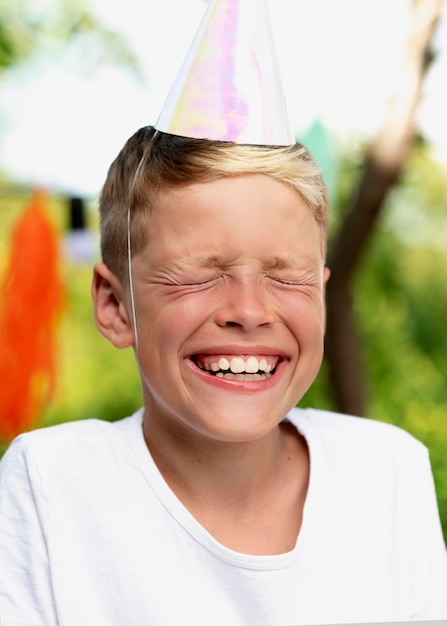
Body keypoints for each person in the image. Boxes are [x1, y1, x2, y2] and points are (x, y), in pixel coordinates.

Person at [1, 1, 447, 623]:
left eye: (286, 276)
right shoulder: (51, 482)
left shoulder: (387, 471)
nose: (247, 310)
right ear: (114, 306)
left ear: (321, 291)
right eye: (196, 277)